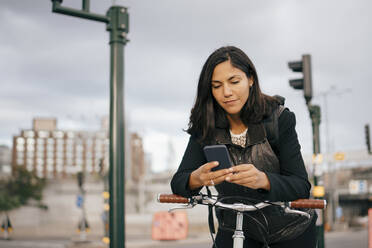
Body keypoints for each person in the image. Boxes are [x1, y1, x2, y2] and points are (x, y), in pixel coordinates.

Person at [170, 46, 317, 248]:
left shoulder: (279, 119)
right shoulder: (205, 126)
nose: (226, 92)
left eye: (234, 81)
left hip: (290, 230)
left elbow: (301, 185)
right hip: (235, 228)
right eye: (216, 86)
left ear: (250, 79)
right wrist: (194, 179)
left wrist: (264, 180)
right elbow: (178, 181)